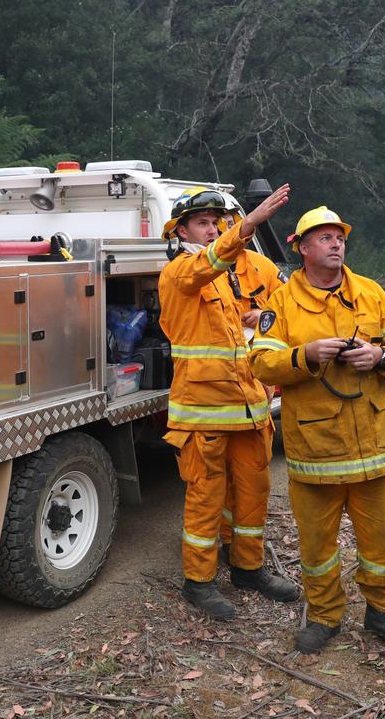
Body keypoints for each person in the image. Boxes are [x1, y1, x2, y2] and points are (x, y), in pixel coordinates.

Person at [247, 206, 385, 654]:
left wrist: (378, 357)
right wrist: (305, 355)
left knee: (379, 542)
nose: (336, 243)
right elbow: (261, 361)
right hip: (315, 451)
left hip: (372, 447)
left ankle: (382, 615)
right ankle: (325, 616)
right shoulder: (281, 304)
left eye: (338, 237)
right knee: (318, 546)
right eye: (324, 238)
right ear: (302, 248)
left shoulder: (370, 292)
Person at [159, 183, 298, 621]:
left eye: (217, 222)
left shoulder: (229, 276)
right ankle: (198, 582)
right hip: (202, 412)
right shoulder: (181, 273)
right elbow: (212, 259)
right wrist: (250, 222)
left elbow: (277, 301)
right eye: (202, 223)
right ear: (180, 232)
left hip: (250, 410)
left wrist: (265, 315)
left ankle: (247, 569)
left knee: (253, 494)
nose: (212, 229)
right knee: (206, 496)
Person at [217, 197, 287, 560]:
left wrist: (262, 316)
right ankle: (223, 542)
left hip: (255, 393)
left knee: (252, 481)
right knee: (215, 483)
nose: (224, 228)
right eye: (217, 223)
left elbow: (289, 312)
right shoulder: (198, 270)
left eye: (230, 221)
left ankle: (244, 555)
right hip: (213, 398)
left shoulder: (262, 268)